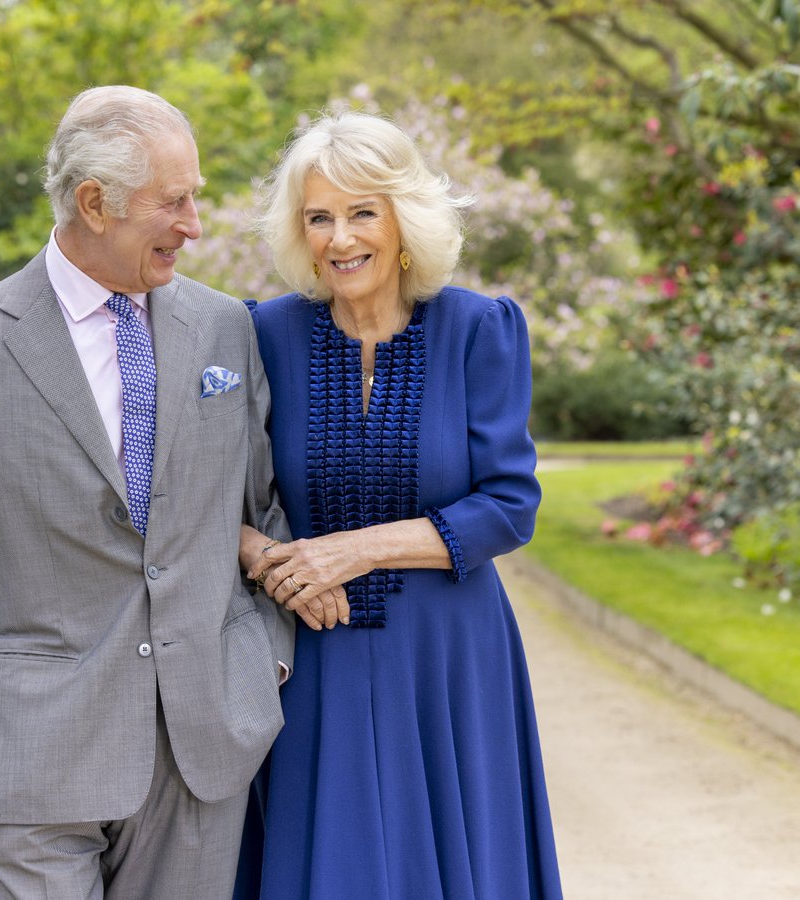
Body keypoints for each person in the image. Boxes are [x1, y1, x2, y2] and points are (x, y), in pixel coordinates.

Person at [0, 85, 342, 899]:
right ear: (95, 203)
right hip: (34, 752)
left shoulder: (222, 328)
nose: (195, 225)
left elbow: (259, 506)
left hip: (199, 741)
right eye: (174, 201)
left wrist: (261, 661)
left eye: (195, 197)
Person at [234, 111, 563, 899]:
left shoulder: (480, 328)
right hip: (314, 654)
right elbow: (207, 495)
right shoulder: (260, 335)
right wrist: (268, 561)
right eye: (319, 217)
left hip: (451, 660)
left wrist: (359, 548)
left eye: (361, 213)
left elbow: (511, 504)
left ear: (403, 221)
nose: (340, 238)